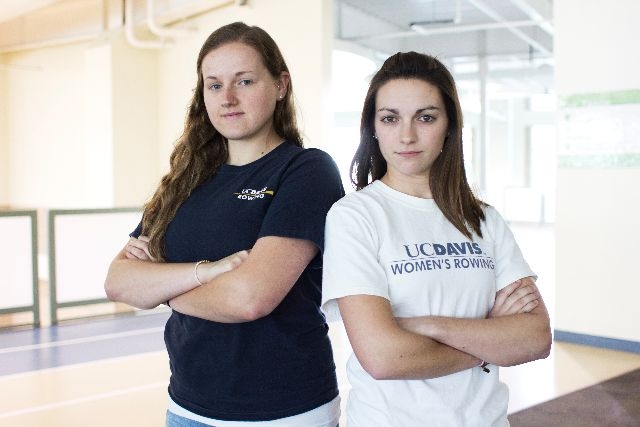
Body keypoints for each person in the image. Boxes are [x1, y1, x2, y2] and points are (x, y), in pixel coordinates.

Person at [104, 22, 344, 427]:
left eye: (244, 81)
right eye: (214, 85)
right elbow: (118, 282)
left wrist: (161, 287)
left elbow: (249, 298)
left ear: (280, 85)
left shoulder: (307, 171)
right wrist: (208, 272)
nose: (228, 98)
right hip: (188, 408)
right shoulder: (186, 180)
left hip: (284, 412)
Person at [321, 51, 552, 427]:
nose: (407, 135)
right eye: (390, 118)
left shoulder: (483, 219)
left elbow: (536, 337)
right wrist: (489, 341)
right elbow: (382, 357)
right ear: (373, 128)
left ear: (449, 126)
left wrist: (427, 325)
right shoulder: (355, 217)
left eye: (425, 117)